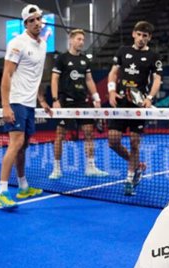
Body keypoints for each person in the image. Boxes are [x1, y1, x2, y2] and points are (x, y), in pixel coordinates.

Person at [0, 4, 51, 209]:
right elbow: (7, 75)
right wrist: (5, 106)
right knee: (16, 144)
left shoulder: (43, 45)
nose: (37, 23)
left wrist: (42, 101)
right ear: (25, 23)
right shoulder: (17, 43)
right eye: (31, 20)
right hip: (16, 101)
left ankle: (23, 186)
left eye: (38, 19)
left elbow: (34, 77)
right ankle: (2, 192)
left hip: (30, 104)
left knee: (24, 146)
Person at [107, 21, 163, 196]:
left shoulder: (154, 57)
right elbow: (113, 73)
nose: (141, 38)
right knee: (113, 141)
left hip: (139, 106)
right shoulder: (123, 51)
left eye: (145, 36)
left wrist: (149, 98)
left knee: (134, 142)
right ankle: (137, 165)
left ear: (149, 38)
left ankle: (129, 179)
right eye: (139, 34)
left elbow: (157, 79)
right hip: (122, 103)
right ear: (133, 34)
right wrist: (111, 91)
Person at [48, 29, 108, 180]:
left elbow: (89, 80)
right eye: (79, 39)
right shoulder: (61, 59)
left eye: (83, 40)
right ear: (71, 40)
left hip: (82, 102)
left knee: (89, 133)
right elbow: (54, 79)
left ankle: (90, 167)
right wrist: (55, 100)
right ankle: (56, 168)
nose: (81, 42)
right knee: (60, 135)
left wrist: (96, 98)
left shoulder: (85, 60)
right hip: (65, 101)